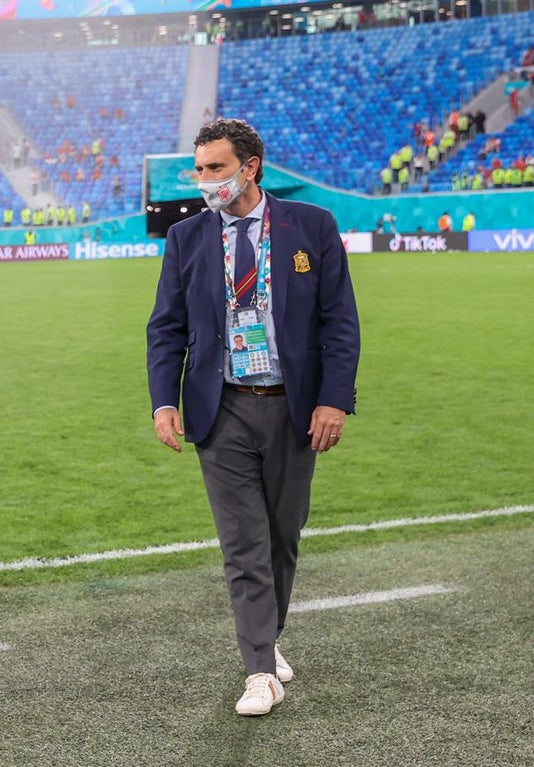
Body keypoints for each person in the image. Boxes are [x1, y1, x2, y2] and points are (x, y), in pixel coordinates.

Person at [146, 118, 360, 718]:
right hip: (223, 410)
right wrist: (165, 401)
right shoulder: (186, 238)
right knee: (244, 546)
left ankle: (268, 637)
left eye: (216, 167)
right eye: (200, 168)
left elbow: (340, 321)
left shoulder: (310, 226)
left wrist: (333, 399)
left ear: (250, 166)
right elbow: (165, 328)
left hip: (294, 409)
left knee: (282, 541)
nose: (204, 179)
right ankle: (259, 670)